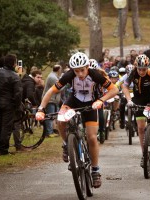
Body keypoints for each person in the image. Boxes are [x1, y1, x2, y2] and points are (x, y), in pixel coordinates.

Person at [35, 52, 119, 188]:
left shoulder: (95, 75)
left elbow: (114, 90)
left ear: (87, 67)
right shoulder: (69, 75)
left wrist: (100, 100)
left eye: (82, 70)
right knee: (61, 120)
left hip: (91, 103)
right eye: (76, 71)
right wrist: (40, 109)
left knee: (91, 138)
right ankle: (65, 144)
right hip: (74, 101)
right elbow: (50, 91)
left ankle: (95, 170)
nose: (79, 74)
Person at [0, 54, 22, 155]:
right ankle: (3, 150)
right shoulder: (15, 76)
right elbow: (18, 94)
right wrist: (17, 106)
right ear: (14, 63)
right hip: (9, 104)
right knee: (6, 127)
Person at [42, 65, 62, 138]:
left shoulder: (53, 76)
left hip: (53, 99)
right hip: (50, 99)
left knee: (52, 116)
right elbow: (58, 89)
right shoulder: (52, 77)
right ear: (59, 70)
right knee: (49, 116)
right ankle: (49, 132)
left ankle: (51, 131)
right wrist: (65, 85)